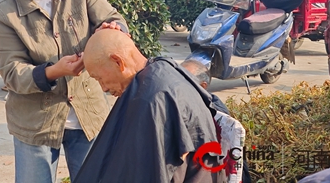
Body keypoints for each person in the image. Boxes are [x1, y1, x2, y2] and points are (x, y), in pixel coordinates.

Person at [0, 0, 128, 183]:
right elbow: (11, 72)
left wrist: (113, 30)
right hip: (35, 123)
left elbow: (113, 18)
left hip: (89, 112)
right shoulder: (5, 11)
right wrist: (53, 72)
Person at [75, 29, 223, 183]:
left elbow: (149, 173)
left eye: (99, 78)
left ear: (118, 62)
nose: (103, 88)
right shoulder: (160, 70)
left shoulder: (152, 99)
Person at [181, 59, 251, 183]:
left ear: (202, 86)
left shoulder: (211, 113)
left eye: (184, 81)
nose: (177, 85)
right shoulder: (182, 104)